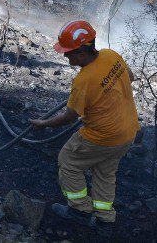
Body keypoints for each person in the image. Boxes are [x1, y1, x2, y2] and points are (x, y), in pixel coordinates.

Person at [30, 20, 139, 227]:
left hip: (102, 137)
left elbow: (69, 117)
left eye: (68, 52)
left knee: (68, 162)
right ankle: (104, 218)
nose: (65, 55)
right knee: (105, 171)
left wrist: (43, 124)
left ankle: (79, 210)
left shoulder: (83, 81)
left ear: (81, 52)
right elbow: (130, 77)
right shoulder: (111, 55)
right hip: (127, 132)